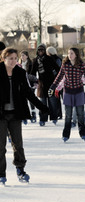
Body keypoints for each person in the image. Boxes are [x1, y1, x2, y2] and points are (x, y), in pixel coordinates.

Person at [0, 47, 49, 185]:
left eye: (16, 58)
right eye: (10, 59)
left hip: (15, 114)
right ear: (4, 58)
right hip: (1, 115)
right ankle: (1, 174)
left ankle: (20, 170)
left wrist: (42, 107)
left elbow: (28, 93)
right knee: (0, 146)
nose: (13, 61)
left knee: (18, 144)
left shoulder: (20, 73)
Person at [49, 47, 85, 142]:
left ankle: (83, 133)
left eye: (71, 53)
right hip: (68, 92)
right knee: (68, 115)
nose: (69, 55)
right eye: (68, 53)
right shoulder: (65, 65)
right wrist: (53, 86)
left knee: (80, 114)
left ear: (76, 55)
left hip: (79, 92)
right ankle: (66, 134)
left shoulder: (81, 65)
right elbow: (59, 76)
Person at [30, 44, 60, 126]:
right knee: (42, 103)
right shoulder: (35, 60)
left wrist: (57, 79)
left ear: (44, 51)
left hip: (51, 83)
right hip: (41, 84)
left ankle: (54, 117)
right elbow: (33, 72)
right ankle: (42, 119)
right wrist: (33, 82)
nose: (40, 52)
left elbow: (57, 68)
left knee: (52, 102)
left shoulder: (49, 59)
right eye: (39, 50)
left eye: (42, 50)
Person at [18, 50, 38, 123]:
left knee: (31, 100)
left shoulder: (30, 64)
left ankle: (33, 114)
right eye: (21, 55)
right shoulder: (18, 64)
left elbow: (32, 75)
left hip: (30, 84)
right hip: (21, 85)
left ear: (27, 56)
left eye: (23, 55)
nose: (22, 57)